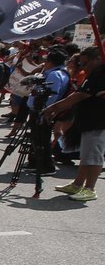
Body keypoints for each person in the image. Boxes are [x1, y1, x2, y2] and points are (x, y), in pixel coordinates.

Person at [43, 45, 103, 202]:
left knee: (93, 156)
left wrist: (55, 107)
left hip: (98, 121)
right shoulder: (94, 73)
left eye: (85, 63)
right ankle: (78, 184)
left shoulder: (101, 74)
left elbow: (80, 95)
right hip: (88, 119)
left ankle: (90, 189)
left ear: (97, 59)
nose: (82, 67)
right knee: (86, 154)